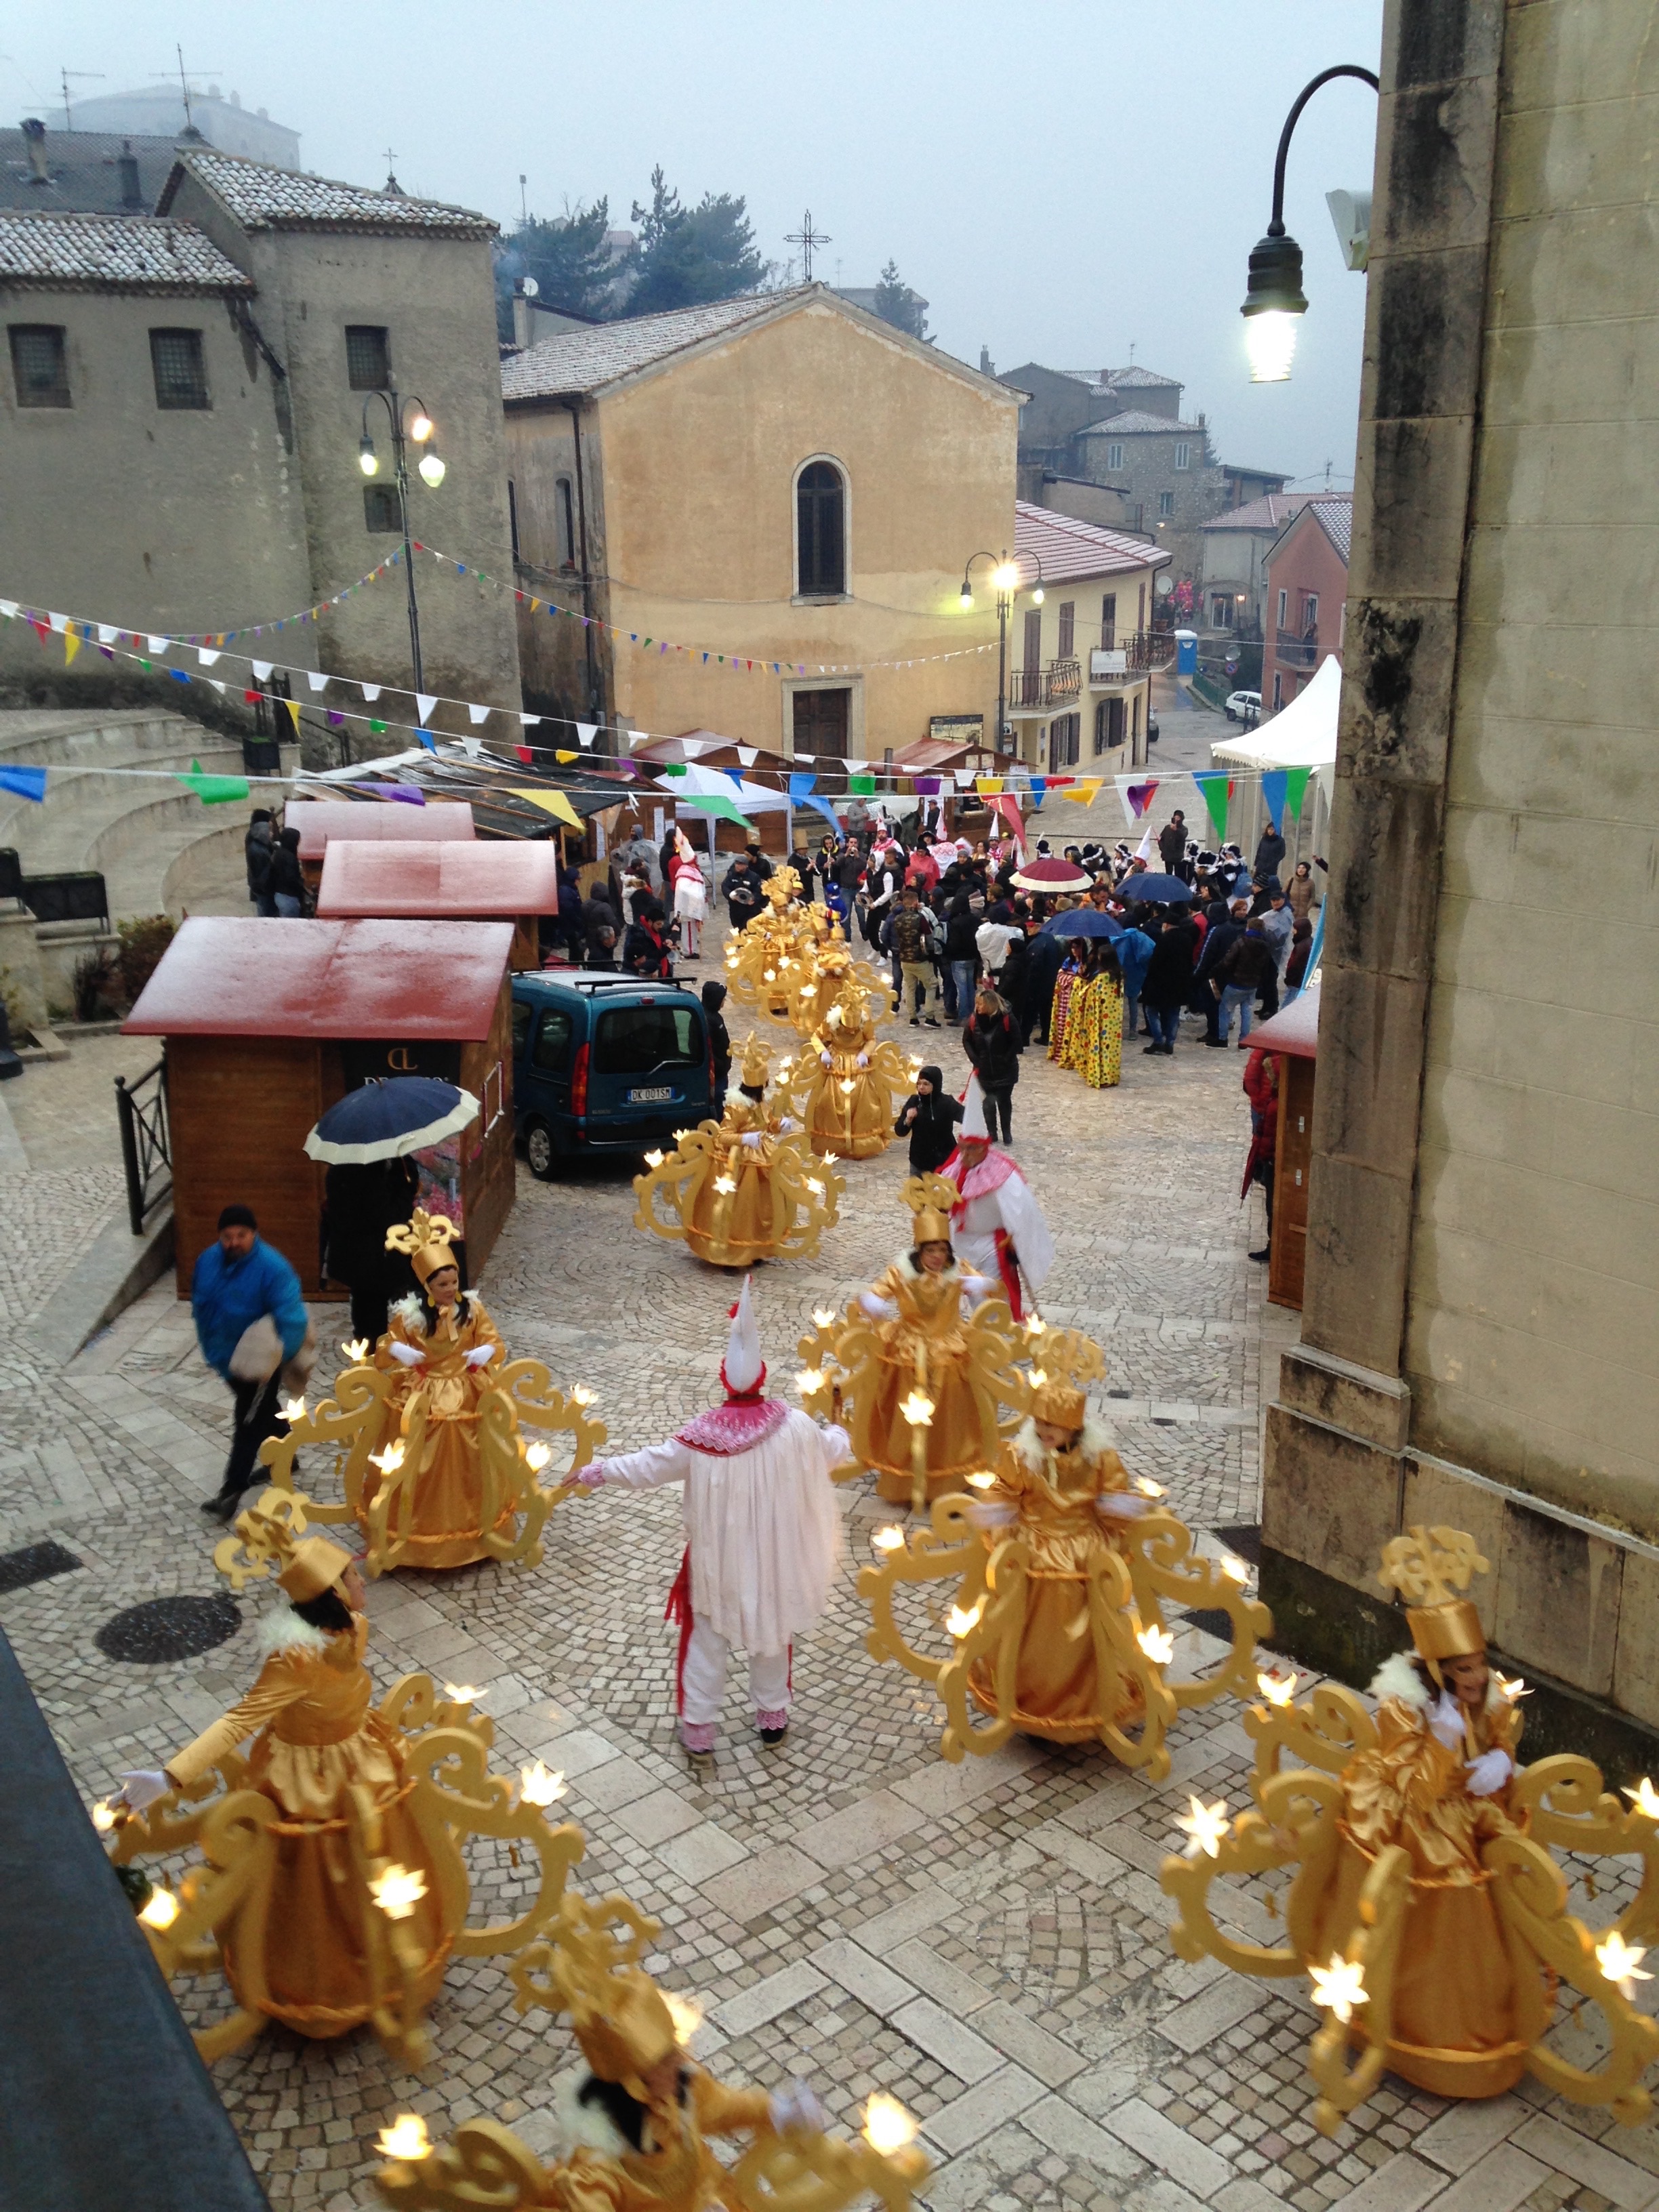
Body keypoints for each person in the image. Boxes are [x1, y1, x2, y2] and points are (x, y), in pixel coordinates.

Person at [114, 1525, 455, 2045]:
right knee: (317, 1877)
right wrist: (168, 1776)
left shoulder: (352, 1627)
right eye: (348, 1573)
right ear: (334, 1595)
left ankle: (384, 1958)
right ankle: (323, 1978)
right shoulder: (292, 1660)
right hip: (308, 1778)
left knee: (381, 1856)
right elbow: (239, 1721)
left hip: (361, 1757)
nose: (359, 1576)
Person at [575, 1280, 845, 1756]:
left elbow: (648, 1466)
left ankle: (699, 1726)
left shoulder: (699, 1437)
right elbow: (831, 1452)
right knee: (771, 1632)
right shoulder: (796, 1426)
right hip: (774, 1555)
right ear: (762, 1374)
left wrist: (597, 1472)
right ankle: (772, 1715)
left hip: (716, 1561)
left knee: (706, 1640)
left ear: (724, 1376)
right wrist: (841, 1427)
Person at [1305, 1529, 1528, 2099]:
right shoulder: (1404, 1708)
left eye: (1480, 1666)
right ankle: (1429, 2023)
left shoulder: (1489, 1697)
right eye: (1464, 1672)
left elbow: (1501, 1735)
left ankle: (1506, 1986)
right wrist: (1446, 1741)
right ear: (1439, 1672)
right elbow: (1418, 1791)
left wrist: (1499, 1763)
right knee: (1449, 1883)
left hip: (1475, 1808)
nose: (1478, 1680)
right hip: (1419, 1815)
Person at [964, 1342, 1155, 1742]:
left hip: (1084, 1552)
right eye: (1039, 1423)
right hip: (1032, 1547)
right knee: (1032, 1628)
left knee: (1088, 1634)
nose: (1044, 1431)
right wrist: (994, 1511)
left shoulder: (1099, 1459)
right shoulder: (1023, 1455)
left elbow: (1111, 1498)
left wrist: (1123, 1507)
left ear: (1075, 1428)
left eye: (1053, 1425)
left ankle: (1085, 1700)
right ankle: (1030, 1695)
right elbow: (1005, 1489)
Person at [839, 1176, 1004, 1508]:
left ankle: (949, 1473)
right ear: (920, 1251)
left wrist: (980, 1283)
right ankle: (906, 1472)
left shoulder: (958, 1269)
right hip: (909, 1346)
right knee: (905, 1406)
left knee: (953, 1407)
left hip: (949, 1344)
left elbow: (992, 1288)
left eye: (942, 1250)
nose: (937, 1257)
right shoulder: (901, 1271)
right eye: (931, 1251)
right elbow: (874, 1294)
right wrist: (873, 1304)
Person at [365, 1209, 510, 1569]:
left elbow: (496, 1342)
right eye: (442, 1285)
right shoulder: (410, 1316)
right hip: (423, 1394)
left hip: (468, 1389)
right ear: (427, 1286)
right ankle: (415, 1532)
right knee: (417, 1456)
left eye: (454, 1282)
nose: (450, 1290)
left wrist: (486, 1350)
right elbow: (384, 1350)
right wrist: (398, 1350)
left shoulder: (472, 1310)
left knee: (474, 1458)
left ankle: (477, 1525)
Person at [192, 1204, 310, 1521]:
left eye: (241, 1235)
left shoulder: (273, 1268)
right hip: (228, 1359)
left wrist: (277, 1360)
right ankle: (287, 1456)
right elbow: (201, 1306)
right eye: (227, 1236)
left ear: (254, 1234)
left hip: (262, 1363)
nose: (233, 1242)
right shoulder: (207, 1261)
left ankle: (231, 1490)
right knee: (264, 1409)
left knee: (247, 1420)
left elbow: (292, 1318)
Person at [939, 1079, 1054, 1319]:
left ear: (984, 1147)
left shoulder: (1001, 1175)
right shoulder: (954, 1169)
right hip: (960, 1242)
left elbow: (1020, 1210)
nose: (965, 1154)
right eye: (963, 1147)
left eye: (972, 1148)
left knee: (989, 1298)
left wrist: (1017, 1244)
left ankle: (994, 1338)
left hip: (991, 1245)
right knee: (962, 1293)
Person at [321, 1157, 419, 1347]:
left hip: (353, 1254)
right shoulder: (374, 1175)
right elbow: (389, 1216)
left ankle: (365, 1348)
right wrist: (406, 1188)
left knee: (362, 1303)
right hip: (375, 1256)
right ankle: (373, 1356)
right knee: (373, 1309)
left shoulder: (339, 1169)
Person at [1057, 941, 1124, 1088]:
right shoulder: (1118, 976)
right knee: (1111, 1047)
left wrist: (1081, 977)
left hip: (1099, 1019)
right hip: (1113, 1021)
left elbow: (1085, 994)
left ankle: (1100, 1076)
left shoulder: (1101, 979)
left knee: (1099, 1045)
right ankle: (1111, 1075)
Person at [962, 985, 1020, 1143]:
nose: (977, 1007)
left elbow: (1016, 1041)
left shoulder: (1007, 1018)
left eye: (980, 1004)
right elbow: (966, 1040)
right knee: (988, 1102)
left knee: (1004, 1101)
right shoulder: (974, 1020)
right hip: (984, 1070)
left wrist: (1006, 1059)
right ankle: (992, 1133)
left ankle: (1006, 1132)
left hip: (1005, 1070)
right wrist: (975, 1060)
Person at [1140, 909, 1198, 1057]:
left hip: (1161, 983)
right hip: (1179, 983)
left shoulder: (1164, 940)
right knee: (1173, 1012)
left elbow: (1155, 963)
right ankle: (1170, 1043)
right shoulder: (1187, 939)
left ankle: (1158, 1040)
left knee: (1151, 1011)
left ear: (1166, 924)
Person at [1195, 898, 1249, 1046]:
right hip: (1229, 973)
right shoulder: (1232, 929)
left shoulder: (1215, 931)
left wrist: (1198, 974)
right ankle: (1218, 1032)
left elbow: (1206, 954)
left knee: (1212, 1005)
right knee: (1222, 1006)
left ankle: (1214, 1034)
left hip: (1213, 975)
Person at [1242, 1047, 1278, 1264]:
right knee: (1272, 1202)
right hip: (1271, 1155)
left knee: (1273, 1202)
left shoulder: (1275, 1104)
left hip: (1272, 1157)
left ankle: (1274, 1246)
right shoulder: (1276, 1099)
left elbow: (1250, 1078)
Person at [1215, 921, 1277, 1046]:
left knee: (1225, 1009)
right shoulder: (1265, 946)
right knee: (1247, 1011)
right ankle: (1244, 1041)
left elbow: (1227, 962)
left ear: (1249, 927)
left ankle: (1222, 1039)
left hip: (1236, 983)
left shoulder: (1241, 943)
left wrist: (1218, 971)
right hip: (1253, 985)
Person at [888, 884, 942, 1027]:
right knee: (932, 984)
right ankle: (930, 1016)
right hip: (920, 958)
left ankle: (913, 1017)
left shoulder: (898, 919)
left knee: (910, 988)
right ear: (915, 903)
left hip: (904, 959)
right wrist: (932, 953)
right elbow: (929, 938)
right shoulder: (920, 919)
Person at [894, 1063, 962, 1173]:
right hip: (919, 1161)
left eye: (926, 1084)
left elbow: (965, 1117)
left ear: (935, 1085)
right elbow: (899, 1131)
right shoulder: (914, 1102)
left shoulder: (947, 1103)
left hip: (944, 1161)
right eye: (919, 1084)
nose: (921, 1087)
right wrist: (908, 1120)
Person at [1024, 920, 1066, 1048]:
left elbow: (1035, 967)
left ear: (1038, 926)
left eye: (1030, 926)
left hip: (1040, 983)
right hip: (1050, 981)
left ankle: (1024, 1037)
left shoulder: (1038, 944)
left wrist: (1030, 985)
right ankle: (1047, 1036)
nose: (1028, 929)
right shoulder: (1050, 939)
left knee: (1032, 1012)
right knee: (1046, 1011)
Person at [1115, 918, 1155, 1042]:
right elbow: (1151, 950)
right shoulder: (1142, 937)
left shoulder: (1118, 937)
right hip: (1137, 972)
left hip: (1119, 972)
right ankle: (1132, 1030)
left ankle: (1115, 1028)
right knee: (1133, 1002)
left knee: (1117, 1002)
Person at [941, 893, 980, 1025]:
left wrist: (947, 952)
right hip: (972, 957)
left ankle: (964, 1015)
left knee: (962, 988)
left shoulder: (954, 922)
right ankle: (972, 1014)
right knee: (970, 987)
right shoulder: (974, 919)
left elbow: (954, 943)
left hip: (959, 958)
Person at [668, 832, 708, 958]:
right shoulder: (686, 873)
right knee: (688, 931)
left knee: (691, 931)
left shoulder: (690, 871)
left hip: (691, 907)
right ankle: (689, 951)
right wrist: (696, 898)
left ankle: (691, 949)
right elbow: (685, 890)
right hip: (688, 908)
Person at [701, 979, 732, 1116]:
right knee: (717, 1108)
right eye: (722, 999)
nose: (724, 1001)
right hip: (716, 1075)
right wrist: (720, 1065)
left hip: (720, 1072)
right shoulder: (708, 1020)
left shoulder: (715, 1017)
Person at [721, 851, 766, 931]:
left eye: (740, 864)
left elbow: (759, 890)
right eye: (737, 864)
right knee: (737, 928)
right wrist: (730, 895)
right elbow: (725, 886)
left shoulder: (754, 877)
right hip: (736, 909)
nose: (738, 866)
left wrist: (754, 899)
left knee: (749, 928)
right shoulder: (731, 876)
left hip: (750, 909)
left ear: (746, 866)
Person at [269, 823, 306, 917]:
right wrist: (302, 885)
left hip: (279, 894)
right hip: (289, 897)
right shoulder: (289, 857)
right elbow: (291, 878)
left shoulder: (279, 853)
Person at [581, 881, 620, 969]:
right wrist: (616, 935)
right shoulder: (605, 907)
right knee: (607, 959)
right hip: (605, 938)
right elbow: (613, 923)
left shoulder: (585, 905)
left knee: (594, 957)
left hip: (590, 937)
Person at [245, 810, 277, 918]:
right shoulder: (258, 850)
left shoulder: (254, 837)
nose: (271, 833)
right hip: (263, 889)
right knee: (265, 914)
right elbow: (263, 875)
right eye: (269, 829)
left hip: (258, 887)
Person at [1258, 885, 1294, 979]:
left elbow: (1282, 934)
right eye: (1273, 901)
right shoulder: (1272, 913)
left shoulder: (1286, 914)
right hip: (1270, 948)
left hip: (1277, 949)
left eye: (1277, 900)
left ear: (1283, 899)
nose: (1275, 903)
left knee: (1272, 973)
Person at [1283, 917, 1313, 1003]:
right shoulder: (1309, 943)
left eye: (1295, 929)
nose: (1293, 931)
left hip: (1295, 982)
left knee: (1288, 1004)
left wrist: (1289, 979)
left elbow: (1295, 966)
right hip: (1299, 981)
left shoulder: (1301, 947)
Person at [1253, 817, 1286, 885]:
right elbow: (1259, 851)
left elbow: (1282, 853)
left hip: (1271, 867)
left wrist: (1275, 861)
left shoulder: (1280, 841)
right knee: (1257, 883)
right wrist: (1256, 863)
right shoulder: (1264, 839)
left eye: (1272, 829)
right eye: (1268, 829)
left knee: (1268, 883)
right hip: (1261, 865)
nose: (1270, 831)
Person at [1287, 857, 1320, 925]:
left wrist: (1307, 908)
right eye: (1299, 868)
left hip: (1303, 913)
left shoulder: (1310, 883)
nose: (1300, 870)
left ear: (1307, 870)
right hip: (1290, 911)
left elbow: (1312, 897)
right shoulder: (1291, 880)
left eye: (1303, 868)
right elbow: (1283, 894)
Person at [1157, 809, 1189, 878]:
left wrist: (1176, 830)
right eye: (1175, 817)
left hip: (1177, 856)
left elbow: (1183, 836)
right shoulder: (1167, 828)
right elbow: (1161, 839)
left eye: (1178, 818)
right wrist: (1163, 848)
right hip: (1168, 855)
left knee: (1178, 874)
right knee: (1168, 874)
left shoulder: (1184, 829)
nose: (1176, 819)